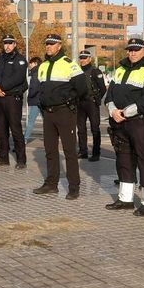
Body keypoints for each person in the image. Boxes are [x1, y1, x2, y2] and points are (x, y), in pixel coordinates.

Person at [104, 38, 144, 216]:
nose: (132, 53)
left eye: (136, 50)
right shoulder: (119, 70)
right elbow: (109, 94)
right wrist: (113, 110)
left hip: (139, 122)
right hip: (119, 122)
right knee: (124, 160)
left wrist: (125, 112)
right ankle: (125, 199)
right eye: (130, 50)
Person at [33, 34, 89, 199]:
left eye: (52, 44)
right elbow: (41, 90)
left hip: (65, 112)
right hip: (48, 114)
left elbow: (82, 89)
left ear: (59, 46)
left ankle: (74, 187)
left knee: (69, 151)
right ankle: (51, 184)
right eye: (47, 44)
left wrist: (69, 102)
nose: (48, 46)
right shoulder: (43, 66)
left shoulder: (69, 65)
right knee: (50, 150)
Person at [0, 36, 29, 167]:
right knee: (0, 128)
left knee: (15, 129)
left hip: (12, 99)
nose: (7, 46)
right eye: (5, 43)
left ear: (15, 44)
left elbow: (18, 78)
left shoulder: (20, 60)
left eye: (10, 43)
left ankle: (21, 160)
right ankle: (3, 157)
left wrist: (1, 87)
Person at [76, 49, 106, 162]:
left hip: (91, 103)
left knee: (95, 128)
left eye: (84, 58)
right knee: (81, 129)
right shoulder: (77, 71)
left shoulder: (95, 71)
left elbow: (102, 88)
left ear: (89, 59)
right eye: (81, 58)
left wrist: (96, 99)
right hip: (80, 103)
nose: (82, 60)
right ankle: (83, 151)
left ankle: (96, 153)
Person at [24, 57, 41, 140]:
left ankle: (24, 140)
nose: (29, 65)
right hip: (42, 101)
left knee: (30, 122)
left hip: (36, 101)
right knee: (48, 122)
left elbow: (34, 88)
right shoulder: (41, 71)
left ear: (35, 63)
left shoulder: (35, 73)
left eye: (31, 63)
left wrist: (29, 97)